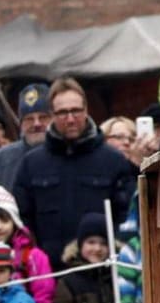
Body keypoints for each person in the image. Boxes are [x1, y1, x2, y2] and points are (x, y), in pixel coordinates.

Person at [11, 77, 138, 261]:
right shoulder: (31, 165)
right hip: (50, 276)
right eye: (62, 113)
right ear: (52, 115)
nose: (70, 119)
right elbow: (22, 223)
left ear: (86, 110)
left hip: (102, 273)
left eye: (76, 111)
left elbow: (127, 218)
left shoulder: (113, 161)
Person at [0, 81, 51, 214]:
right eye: (29, 119)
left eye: (43, 117)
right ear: (20, 123)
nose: (36, 124)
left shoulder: (70, 154)